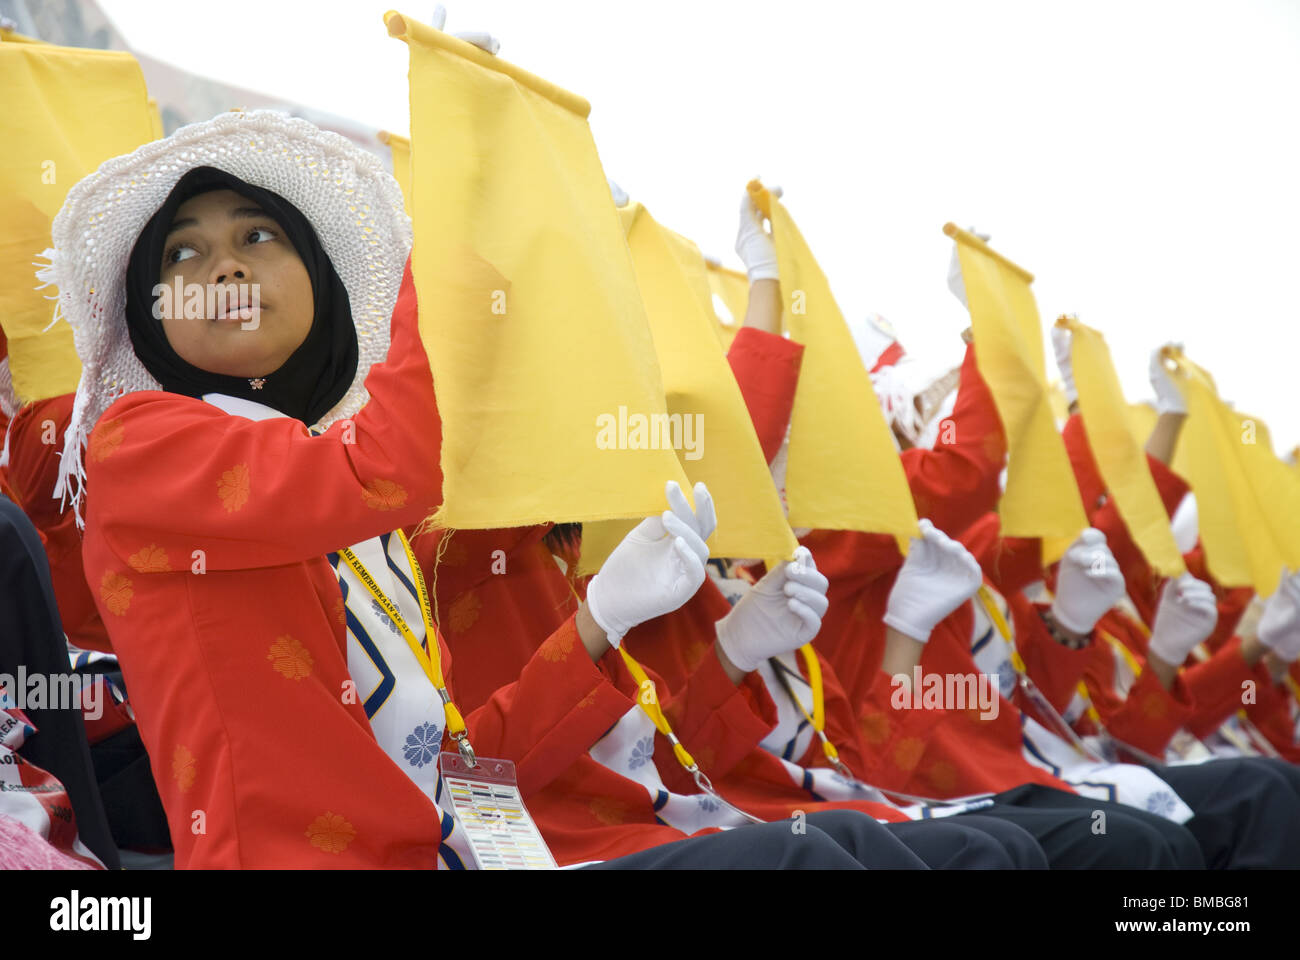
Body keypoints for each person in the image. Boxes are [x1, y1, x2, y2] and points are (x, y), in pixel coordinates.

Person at [42, 108, 933, 870]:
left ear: (319, 280)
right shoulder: (142, 443)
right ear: (152, 314)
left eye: (257, 235)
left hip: (461, 848)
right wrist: (462, 208)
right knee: (810, 858)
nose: (223, 268)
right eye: (182, 255)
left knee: (898, 850)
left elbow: (465, 771)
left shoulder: (356, 521)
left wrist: (603, 624)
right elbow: (380, 467)